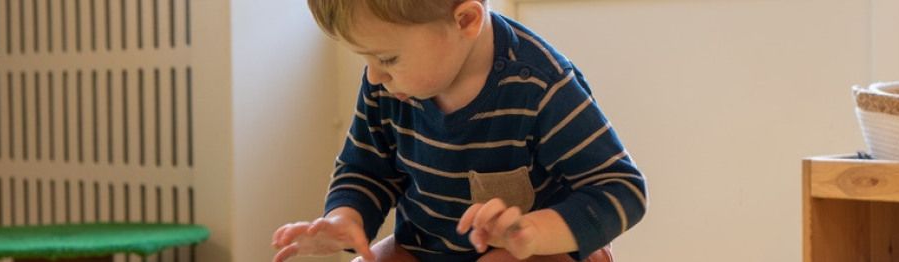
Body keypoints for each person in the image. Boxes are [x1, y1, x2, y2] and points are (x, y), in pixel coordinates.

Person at [272, 0, 647, 261]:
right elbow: (366, 169)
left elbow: (621, 189)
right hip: (425, 249)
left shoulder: (541, 86)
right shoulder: (389, 85)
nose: (374, 75)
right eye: (364, 57)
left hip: (533, 252)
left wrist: (533, 231)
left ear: (465, 20)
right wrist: (345, 219)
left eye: (387, 58)